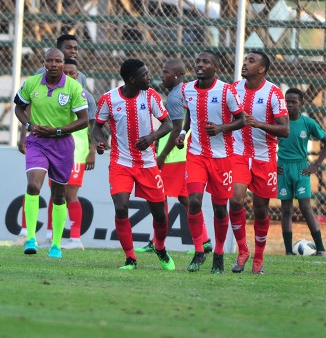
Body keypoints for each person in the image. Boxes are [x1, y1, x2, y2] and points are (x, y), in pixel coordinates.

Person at [93, 59, 175, 271]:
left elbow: (168, 124)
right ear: (132, 79)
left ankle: (160, 247)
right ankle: (130, 258)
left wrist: (152, 137)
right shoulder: (109, 99)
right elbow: (97, 127)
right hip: (121, 162)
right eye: (145, 75)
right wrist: (100, 142)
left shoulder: (151, 96)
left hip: (147, 164)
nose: (149, 78)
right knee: (121, 208)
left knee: (160, 215)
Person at [16, 34, 94, 247]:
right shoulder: (34, 81)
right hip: (38, 141)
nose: (73, 51)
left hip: (68, 146)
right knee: (34, 184)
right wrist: (27, 130)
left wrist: (93, 147)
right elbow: (23, 106)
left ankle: (60, 241)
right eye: (69, 48)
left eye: (75, 49)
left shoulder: (78, 86)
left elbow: (90, 119)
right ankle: (29, 236)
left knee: (62, 194)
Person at [135, 59, 213, 255]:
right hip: (183, 153)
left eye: (166, 72)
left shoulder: (175, 96)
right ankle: (204, 241)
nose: (162, 75)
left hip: (174, 156)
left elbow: (177, 127)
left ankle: (158, 242)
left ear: (177, 75)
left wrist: (161, 156)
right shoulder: (184, 92)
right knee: (184, 198)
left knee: (159, 197)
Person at [176, 51, 245, 274]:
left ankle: (218, 254)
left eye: (205, 62)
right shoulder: (187, 89)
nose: (200, 65)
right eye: (197, 61)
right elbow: (189, 116)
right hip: (196, 155)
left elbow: (241, 120)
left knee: (219, 209)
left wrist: (221, 128)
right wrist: (183, 133)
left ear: (215, 67)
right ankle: (199, 251)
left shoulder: (226, 90)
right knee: (193, 200)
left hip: (222, 157)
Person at [229, 51, 288, 274]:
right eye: (245, 60)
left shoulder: (273, 92)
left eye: (251, 61)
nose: (245, 63)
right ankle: (242, 250)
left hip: (264, 157)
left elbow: (284, 129)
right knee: (235, 200)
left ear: (262, 69)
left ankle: (259, 259)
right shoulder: (234, 89)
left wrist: (259, 124)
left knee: (261, 209)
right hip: (238, 154)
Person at [278, 88, 326, 257]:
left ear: (301, 103)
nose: (290, 105)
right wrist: (273, 163)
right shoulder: (279, 122)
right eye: (287, 101)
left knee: (305, 207)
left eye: (294, 102)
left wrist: (315, 165)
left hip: (301, 168)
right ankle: (288, 251)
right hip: (283, 168)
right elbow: (266, 142)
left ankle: (321, 248)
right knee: (286, 209)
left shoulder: (308, 123)